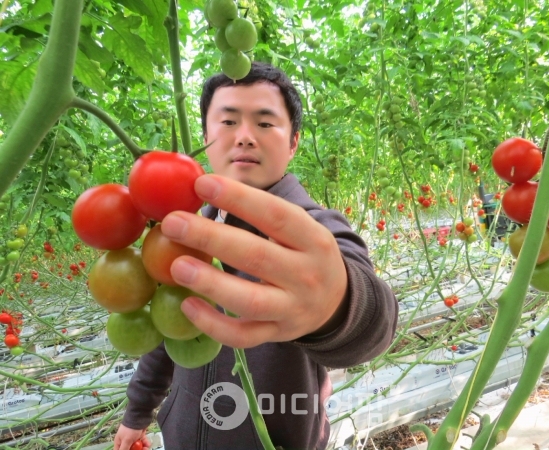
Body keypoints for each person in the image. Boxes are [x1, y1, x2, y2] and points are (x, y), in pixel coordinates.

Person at [113, 62, 398, 450]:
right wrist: (138, 412)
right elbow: (168, 328)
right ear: (206, 136)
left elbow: (373, 320)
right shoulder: (184, 233)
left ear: (294, 142)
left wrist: (340, 305)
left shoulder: (314, 229)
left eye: (265, 124)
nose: (245, 137)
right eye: (228, 122)